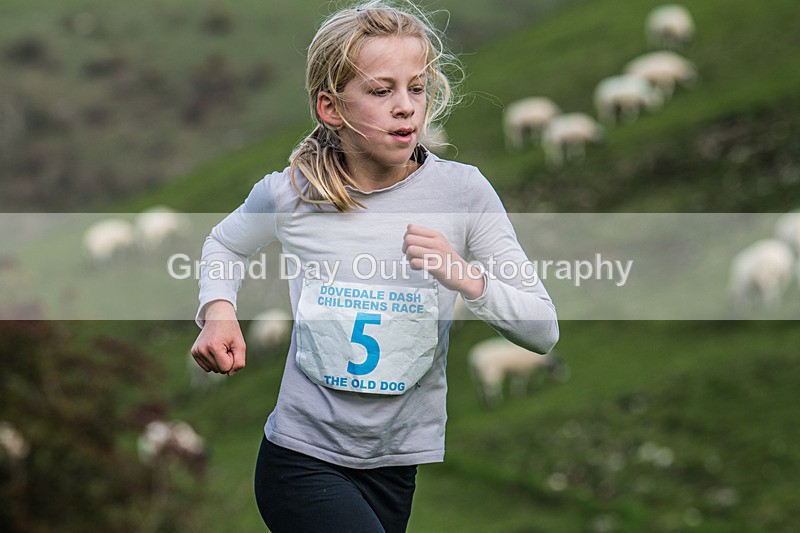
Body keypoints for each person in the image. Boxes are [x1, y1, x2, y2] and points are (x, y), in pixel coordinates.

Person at [190, 1, 559, 531]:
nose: (407, 107)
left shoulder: (464, 191)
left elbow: (542, 329)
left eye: (418, 87)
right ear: (331, 107)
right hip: (301, 459)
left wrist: (462, 275)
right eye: (382, 91)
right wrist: (219, 310)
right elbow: (224, 244)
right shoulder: (292, 194)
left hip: (395, 468)